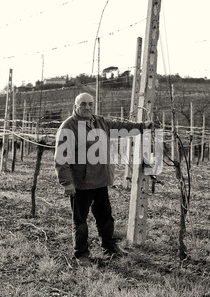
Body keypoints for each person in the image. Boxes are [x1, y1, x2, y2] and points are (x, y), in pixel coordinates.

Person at [54, 92, 152, 267]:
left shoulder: (100, 122)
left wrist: (143, 126)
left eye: (90, 104)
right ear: (75, 106)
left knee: (106, 217)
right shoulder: (68, 126)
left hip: (101, 180)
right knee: (80, 221)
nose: (87, 107)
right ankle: (81, 254)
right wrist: (67, 182)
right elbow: (61, 158)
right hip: (81, 183)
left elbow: (122, 127)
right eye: (83, 104)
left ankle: (109, 246)